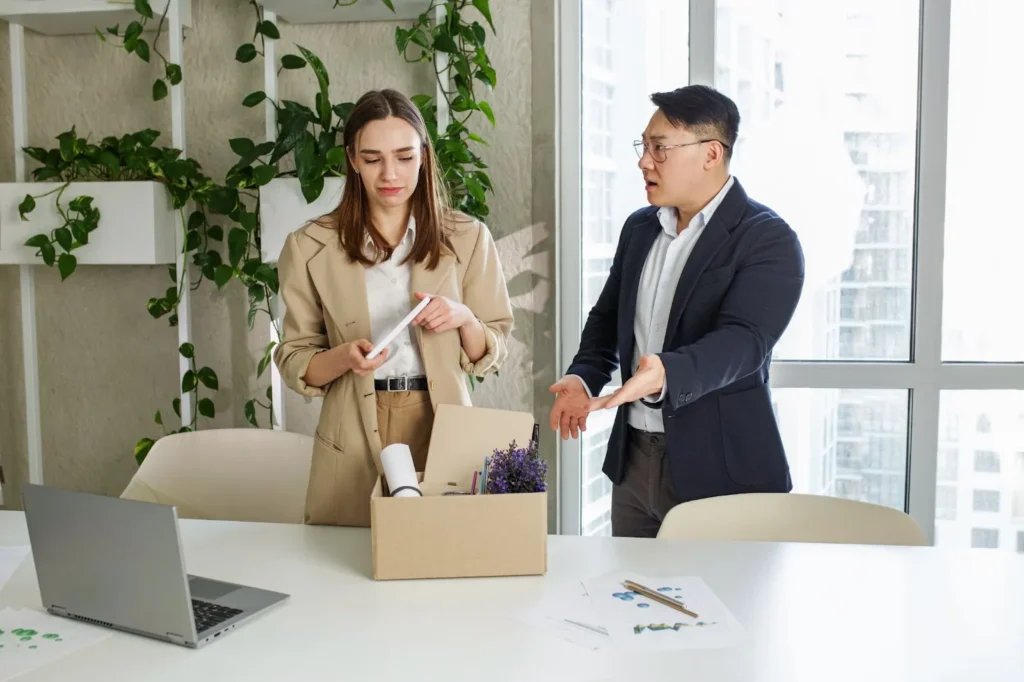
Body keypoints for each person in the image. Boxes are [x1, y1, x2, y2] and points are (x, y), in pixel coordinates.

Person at [549, 85, 805, 538]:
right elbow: (607, 320)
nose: (644, 161)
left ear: (711, 154)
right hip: (632, 466)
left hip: (721, 474)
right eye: (644, 147)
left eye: (660, 148)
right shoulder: (640, 229)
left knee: (724, 606)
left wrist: (666, 372)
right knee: (631, 603)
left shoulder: (768, 240)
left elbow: (744, 343)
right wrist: (582, 376)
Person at [274, 88, 513, 527]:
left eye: (405, 157)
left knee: (446, 555)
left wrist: (463, 318)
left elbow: (492, 347)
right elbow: (293, 359)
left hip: (441, 417)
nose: (390, 174)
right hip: (354, 420)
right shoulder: (309, 247)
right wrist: (343, 357)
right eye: (372, 158)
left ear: (424, 155)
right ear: (351, 159)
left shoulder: (468, 237)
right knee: (347, 559)